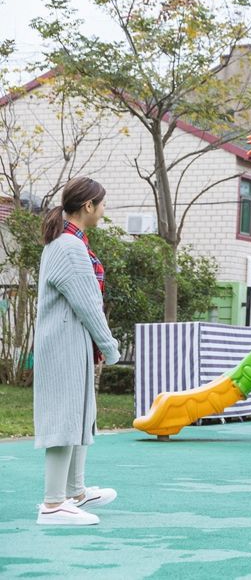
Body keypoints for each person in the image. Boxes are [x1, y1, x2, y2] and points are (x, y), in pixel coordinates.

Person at [34, 177, 121, 525]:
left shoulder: (66, 242)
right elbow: (88, 304)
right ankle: (53, 504)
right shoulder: (69, 247)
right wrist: (109, 346)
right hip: (64, 343)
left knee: (80, 414)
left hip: (68, 341)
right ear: (88, 206)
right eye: (102, 204)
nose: (103, 211)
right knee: (65, 418)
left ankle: (74, 492)